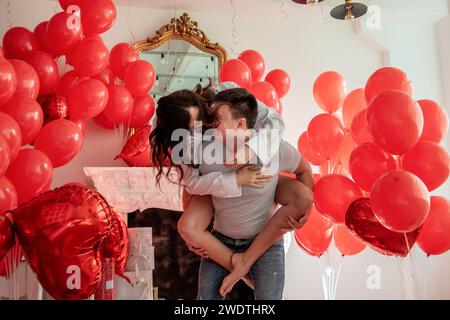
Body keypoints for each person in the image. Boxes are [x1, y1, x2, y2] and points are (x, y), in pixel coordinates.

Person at [150, 84, 313, 299]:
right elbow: (192, 185)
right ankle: (238, 265)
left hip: (261, 211)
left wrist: (250, 150)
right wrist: (234, 179)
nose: (200, 129)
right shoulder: (194, 147)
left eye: (202, 120)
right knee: (188, 227)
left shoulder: (227, 103)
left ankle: (243, 263)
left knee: (302, 196)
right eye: (190, 129)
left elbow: (276, 123)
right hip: (221, 214)